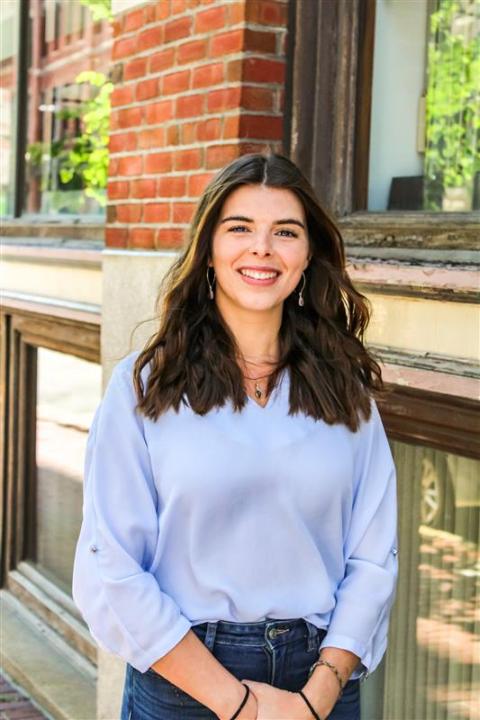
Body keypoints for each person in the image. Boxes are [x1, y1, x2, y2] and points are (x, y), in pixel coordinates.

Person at [72, 151, 399, 720]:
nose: (262, 249)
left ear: (308, 255)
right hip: (185, 681)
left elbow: (373, 556)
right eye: (240, 228)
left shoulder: (344, 389)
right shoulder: (144, 387)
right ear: (208, 250)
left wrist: (319, 695)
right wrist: (239, 703)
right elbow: (113, 566)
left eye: (286, 232)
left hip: (322, 680)